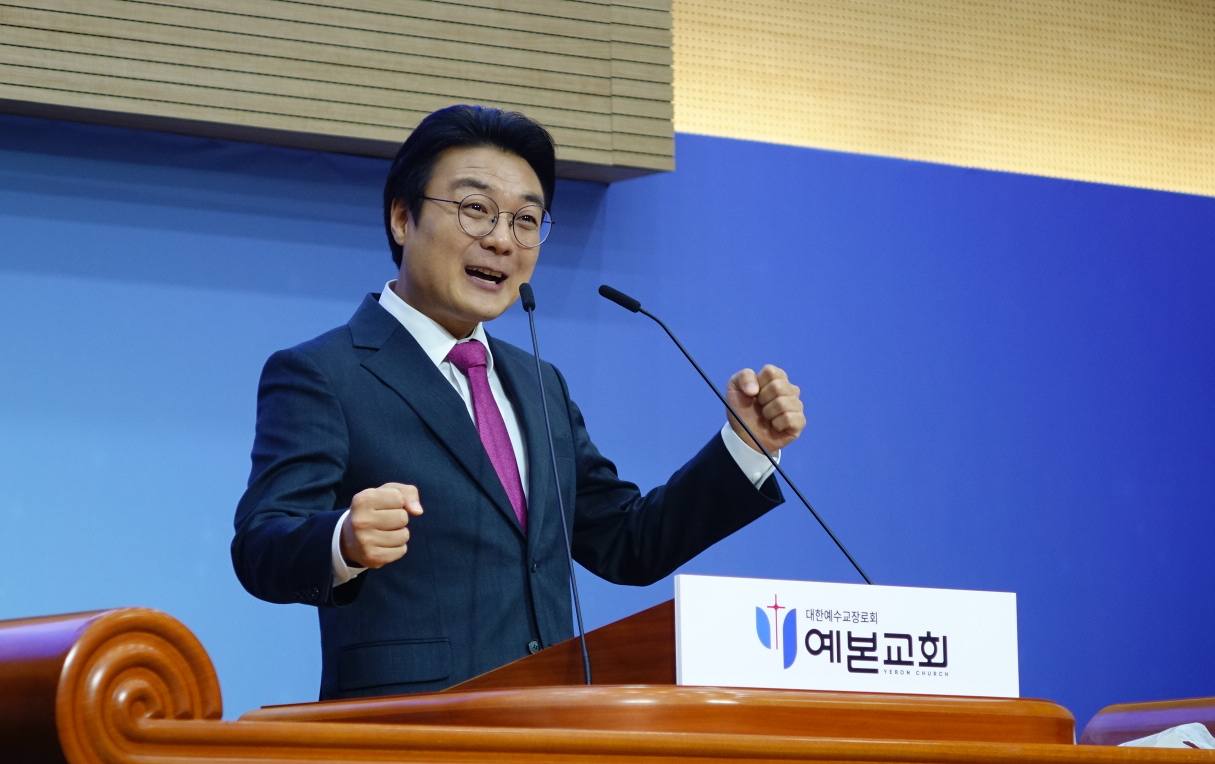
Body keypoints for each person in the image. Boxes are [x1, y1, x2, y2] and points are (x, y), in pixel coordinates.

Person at [231, 105, 806, 700]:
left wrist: (745, 448)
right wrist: (343, 539)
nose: (502, 240)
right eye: (475, 209)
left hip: (550, 721)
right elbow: (260, 543)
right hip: (412, 727)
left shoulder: (539, 383)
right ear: (402, 218)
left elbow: (627, 544)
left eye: (526, 220)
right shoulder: (325, 372)